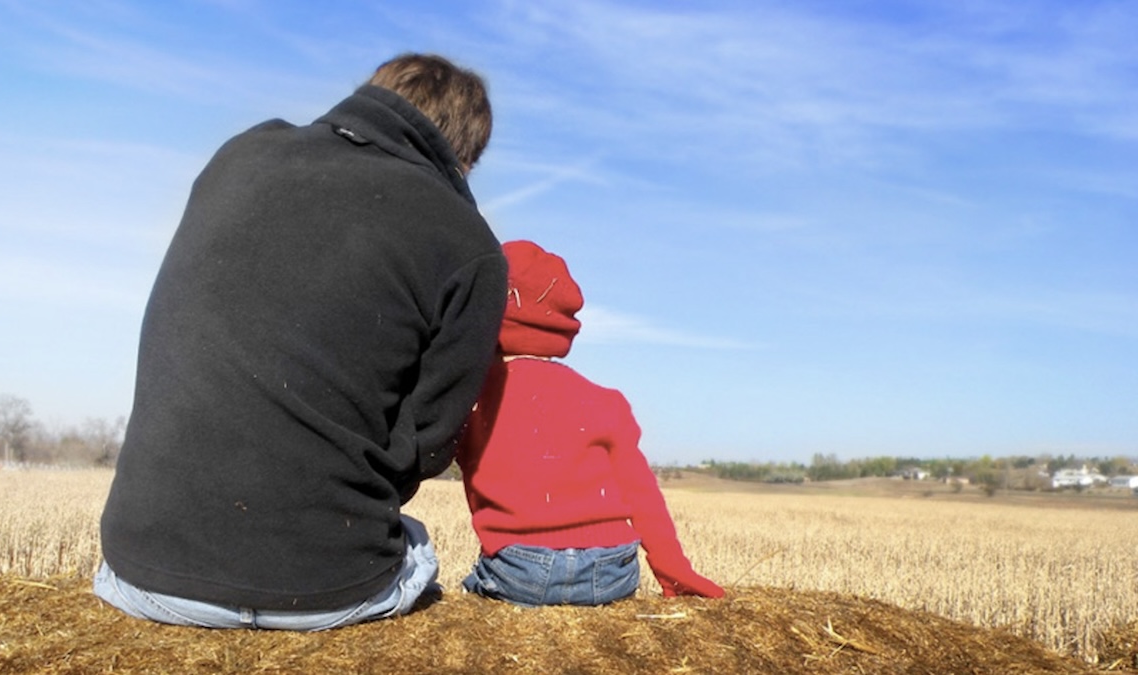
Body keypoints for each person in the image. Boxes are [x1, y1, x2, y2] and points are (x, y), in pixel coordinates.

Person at [95, 53, 508, 630]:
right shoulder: (472, 246)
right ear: (463, 158)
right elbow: (427, 445)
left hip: (137, 573)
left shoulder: (240, 154)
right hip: (325, 589)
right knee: (416, 545)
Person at [456, 240, 725, 607]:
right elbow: (641, 494)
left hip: (522, 569)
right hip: (614, 568)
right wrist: (672, 568)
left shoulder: (474, 399)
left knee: (463, 591)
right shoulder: (605, 401)